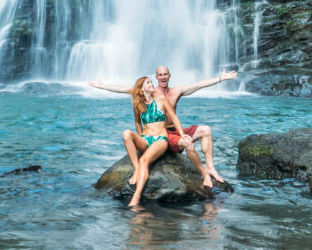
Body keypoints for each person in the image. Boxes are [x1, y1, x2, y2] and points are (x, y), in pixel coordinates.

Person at [89, 65, 237, 188]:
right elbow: (125, 89)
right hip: (163, 133)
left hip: (176, 130)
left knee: (206, 130)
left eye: (165, 74)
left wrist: (220, 79)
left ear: (169, 76)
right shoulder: (152, 92)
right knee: (187, 143)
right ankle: (203, 173)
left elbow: (198, 85)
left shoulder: (176, 91)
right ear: (157, 77)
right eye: (160, 75)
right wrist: (103, 86)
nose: (163, 77)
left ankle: (210, 167)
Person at [118, 76, 192, 208]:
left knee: (144, 161)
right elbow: (137, 121)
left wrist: (182, 134)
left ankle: (136, 197)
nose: (152, 84)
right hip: (146, 138)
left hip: (160, 139)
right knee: (126, 133)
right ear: (141, 89)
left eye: (151, 82)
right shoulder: (138, 103)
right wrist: (140, 135)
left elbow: (174, 117)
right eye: (148, 83)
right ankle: (136, 170)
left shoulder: (161, 99)